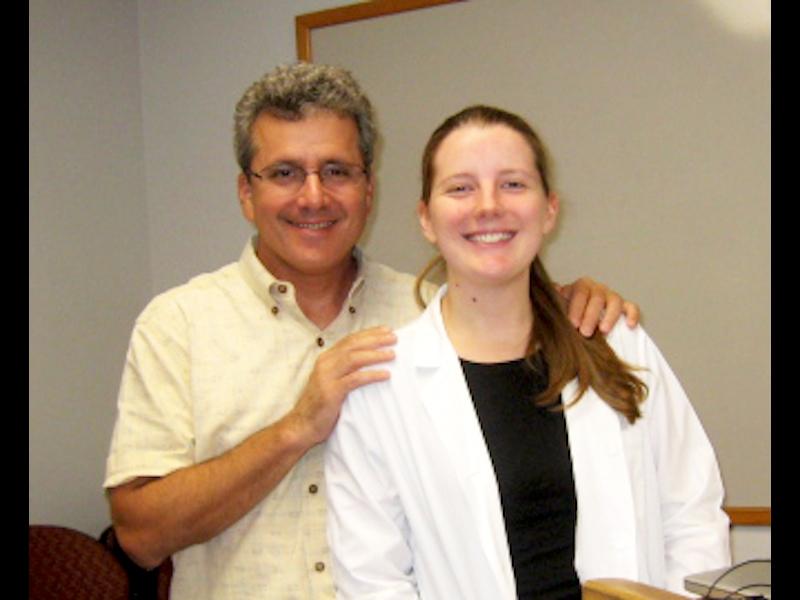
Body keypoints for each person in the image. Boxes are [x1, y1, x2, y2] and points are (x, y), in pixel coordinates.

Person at [103, 63, 641, 600]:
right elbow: (140, 537)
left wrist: (564, 305)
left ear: (369, 189)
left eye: (337, 171)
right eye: (285, 173)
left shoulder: (433, 316)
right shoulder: (178, 326)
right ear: (246, 192)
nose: (314, 196)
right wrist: (295, 429)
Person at [324, 105, 731, 599]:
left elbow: (692, 516)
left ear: (549, 210)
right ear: (426, 218)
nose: (488, 205)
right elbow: (373, 583)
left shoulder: (616, 341)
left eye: (513, 184)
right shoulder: (380, 389)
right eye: (461, 188)